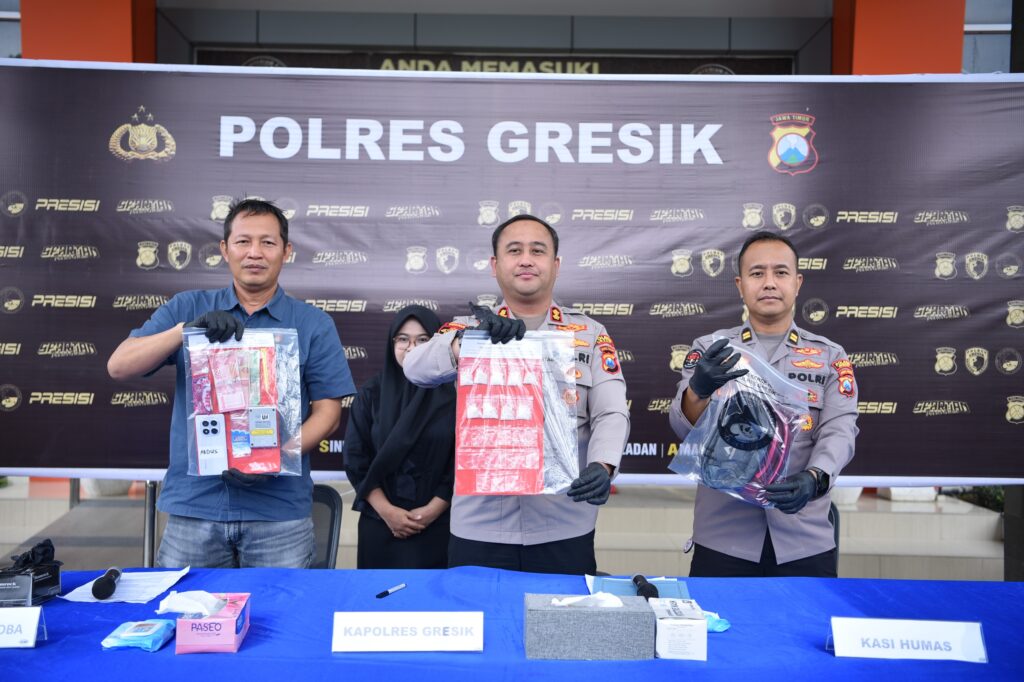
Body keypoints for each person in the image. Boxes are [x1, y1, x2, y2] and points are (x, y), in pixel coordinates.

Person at [107, 198, 355, 568]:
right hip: (195, 507)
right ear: (225, 249)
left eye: (267, 242)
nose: (255, 253)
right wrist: (185, 331)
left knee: (280, 607)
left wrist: (274, 456)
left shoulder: (312, 324)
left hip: (278, 513)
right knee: (186, 606)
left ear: (286, 251)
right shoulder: (188, 307)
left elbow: (328, 414)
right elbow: (119, 365)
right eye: (243, 241)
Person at [403, 214, 630, 575]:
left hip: (564, 524)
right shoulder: (467, 328)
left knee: (562, 612)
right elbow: (414, 368)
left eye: (537, 251)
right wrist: (467, 343)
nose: (526, 260)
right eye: (514, 251)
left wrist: (603, 466)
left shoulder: (589, 332)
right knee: (479, 612)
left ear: (556, 265)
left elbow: (611, 412)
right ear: (495, 265)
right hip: (480, 525)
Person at [669, 231, 858, 577]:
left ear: (797, 283)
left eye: (780, 272)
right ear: (740, 285)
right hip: (724, 538)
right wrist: (698, 390)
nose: (769, 282)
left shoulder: (830, 356)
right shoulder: (712, 349)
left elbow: (840, 430)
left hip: (804, 539)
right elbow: (684, 428)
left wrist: (814, 478)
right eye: (757, 273)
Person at [343, 305, 457, 569]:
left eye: (423, 340)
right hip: (380, 523)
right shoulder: (371, 394)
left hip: (439, 524)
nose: (411, 347)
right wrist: (388, 512)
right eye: (403, 339)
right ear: (392, 343)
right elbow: (356, 459)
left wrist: (432, 511)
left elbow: (460, 463)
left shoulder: (454, 395)